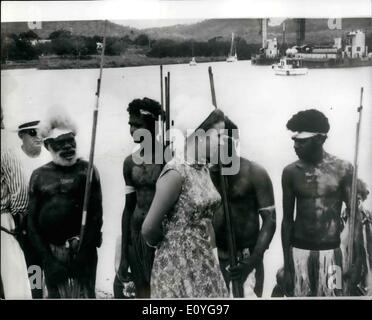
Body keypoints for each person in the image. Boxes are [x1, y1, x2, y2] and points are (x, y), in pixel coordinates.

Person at [142, 106, 229, 298]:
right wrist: (173, 244)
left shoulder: (203, 169)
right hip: (177, 267)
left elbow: (206, 219)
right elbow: (149, 228)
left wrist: (211, 252)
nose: (224, 142)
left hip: (204, 261)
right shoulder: (175, 173)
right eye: (219, 136)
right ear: (198, 135)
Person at [281, 109, 358, 297]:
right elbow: (287, 221)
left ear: (320, 139)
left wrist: (355, 263)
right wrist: (288, 266)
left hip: (333, 255)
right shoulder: (291, 172)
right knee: (300, 295)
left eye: (302, 141)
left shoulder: (343, 169)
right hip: (299, 254)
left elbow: (354, 218)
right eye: (294, 141)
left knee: (335, 295)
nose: (296, 146)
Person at [27, 115, 103, 298]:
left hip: (83, 251)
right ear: (48, 146)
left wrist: (84, 254)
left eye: (71, 141)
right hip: (52, 253)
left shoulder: (87, 170)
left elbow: (96, 217)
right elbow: (31, 223)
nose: (69, 147)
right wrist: (47, 261)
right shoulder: (38, 176)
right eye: (61, 143)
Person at [210, 116, 276, 297]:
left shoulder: (254, 172)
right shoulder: (205, 175)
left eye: (224, 140)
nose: (219, 146)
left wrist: (252, 261)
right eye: (215, 140)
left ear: (235, 141)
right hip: (216, 259)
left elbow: (270, 221)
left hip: (247, 259)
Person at [114, 98, 164, 298]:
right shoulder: (129, 163)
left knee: (161, 290)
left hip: (160, 237)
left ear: (152, 127)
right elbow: (128, 208)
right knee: (142, 290)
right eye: (130, 125)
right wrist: (125, 253)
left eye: (137, 125)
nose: (132, 129)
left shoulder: (168, 158)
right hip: (136, 236)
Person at [16, 120, 50, 299]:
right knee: (33, 270)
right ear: (21, 135)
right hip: (25, 229)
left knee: (52, 275)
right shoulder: (14, 159)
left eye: (40, 132)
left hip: (49, 228)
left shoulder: (50, 156)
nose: (38, 137)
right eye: (32, 133)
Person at [1, 107, 32, 299]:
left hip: (4, 223)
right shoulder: (6, 151)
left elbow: (20, 194)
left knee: (13, 281)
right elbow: (20, 193)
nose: (3, 125)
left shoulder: (6, 152)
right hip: (4, 222)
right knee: (12, 281)